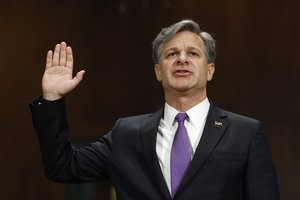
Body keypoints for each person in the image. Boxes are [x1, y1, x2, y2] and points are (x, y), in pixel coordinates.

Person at [30, 19, 280, 200]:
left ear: (210, 70)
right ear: (158, 71)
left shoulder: (246, 133)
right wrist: (51, 99)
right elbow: (63, 167)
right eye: (172, 54)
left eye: (193, 53)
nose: (182, 59)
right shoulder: (126, 133)